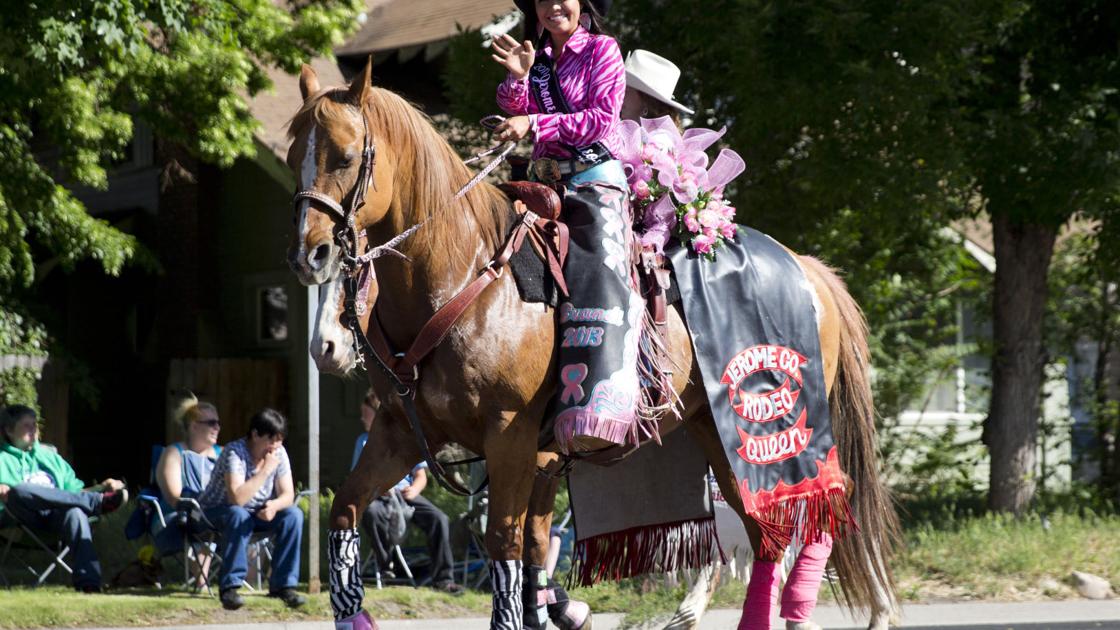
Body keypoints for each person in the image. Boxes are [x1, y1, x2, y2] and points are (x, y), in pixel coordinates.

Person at [493, 0, 649, 455]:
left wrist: (532, 122)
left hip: (594, 180)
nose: (552, 6)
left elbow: (600, 121)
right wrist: (519, 79)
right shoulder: (537, 59)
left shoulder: (603, 49)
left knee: (599, 270)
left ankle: (600, 396)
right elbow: (512, 107)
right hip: (544, 184)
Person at [0, 404, 128, 592]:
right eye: (27, 425)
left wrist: (102, 487)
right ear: (9, 431)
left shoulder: (51, 458)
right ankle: (97, 502)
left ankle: (89, 583)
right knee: (19, 490)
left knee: (75, 511)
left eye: (35, 425)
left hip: (56, 518)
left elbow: (75, 493)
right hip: (20, 520)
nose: (34, 429)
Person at [351, 391, 462, 594]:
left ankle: (444, 579)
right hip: (378, 495)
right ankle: (387, 567)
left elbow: (421, 475)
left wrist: (415, 489)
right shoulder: (364, 442)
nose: (361, 418)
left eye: (365, 414)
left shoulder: (404, 439)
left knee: (439, 519)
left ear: (378, 415)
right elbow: (358, 478)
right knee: (372, 513)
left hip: (405, 493)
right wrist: (379, 489)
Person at [198, 408, 306, 610]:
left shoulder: (279, 453)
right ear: (255, 435)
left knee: (293, 515)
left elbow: (288, 495)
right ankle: (230, 589)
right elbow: (237, 499)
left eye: (279, 440)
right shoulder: (235, 452)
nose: (275, 446)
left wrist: (274, 506)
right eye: (271, 440)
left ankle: (283, 586)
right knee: (238, 514)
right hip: (215, 513)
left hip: (255, 513)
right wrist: (266, 470)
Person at [152, 393, 222, 585]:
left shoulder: (223, 454)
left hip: (215, 515)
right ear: (194, 426)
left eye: (218, 423)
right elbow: (175, 498)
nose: (217, 427)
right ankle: (202, 586)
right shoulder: (174, 454)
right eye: (211, 423)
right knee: (199, 522)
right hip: (176, 518)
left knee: (243, 521)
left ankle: (246, 588)